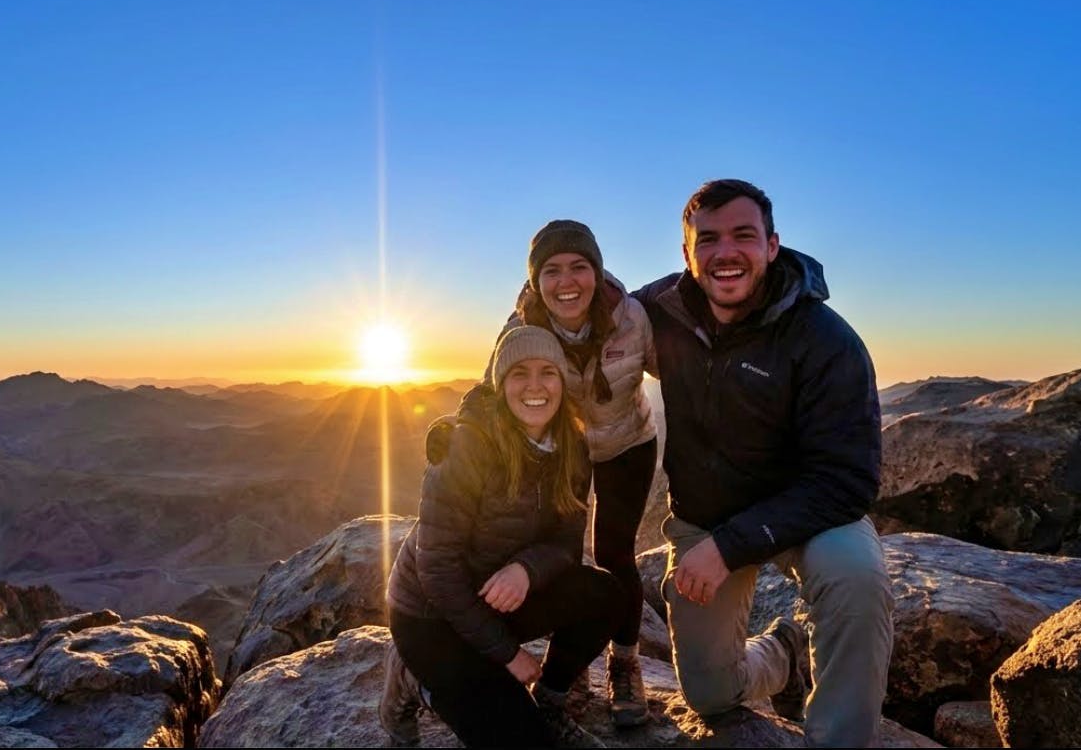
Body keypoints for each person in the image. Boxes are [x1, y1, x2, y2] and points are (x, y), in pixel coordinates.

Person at [631, 178, 894, 747]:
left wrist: (729, 548)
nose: (725, 252)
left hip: (807, 515)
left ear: (773, 245)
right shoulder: (664, 309)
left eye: (743, 236)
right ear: (688, 253)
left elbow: (848, 480)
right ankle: (781, 652)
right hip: (709, 515)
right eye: (709, 239)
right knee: (711, 697)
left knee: (855, 576)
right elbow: (567, 307)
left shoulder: (826, 340)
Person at [381, 325, 618, 748]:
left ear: (562, 382)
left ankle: (549, 702)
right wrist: (508, 655)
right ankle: (415, 680)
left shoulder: (572, 446)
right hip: (431, 617)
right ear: (500, 382)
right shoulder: (466, 446)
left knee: (604, 594)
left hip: (496, 597)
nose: (535, 386)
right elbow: (436, 571)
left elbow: (567, 542)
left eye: (548, 372)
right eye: (518, 373)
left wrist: (526, 570)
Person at [478, 219, 661, 727]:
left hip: (629, 442)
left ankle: (624, 664)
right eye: (552, 270)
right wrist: (454, 431)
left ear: (597, 272)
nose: (567, 282)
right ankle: (573, 658)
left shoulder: (631, 317)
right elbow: (491, 392)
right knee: (563, 557)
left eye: (579, 267)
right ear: (536, 281)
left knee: (615, 553)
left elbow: (679, 370)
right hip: (564, 454)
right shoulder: (522, 329)